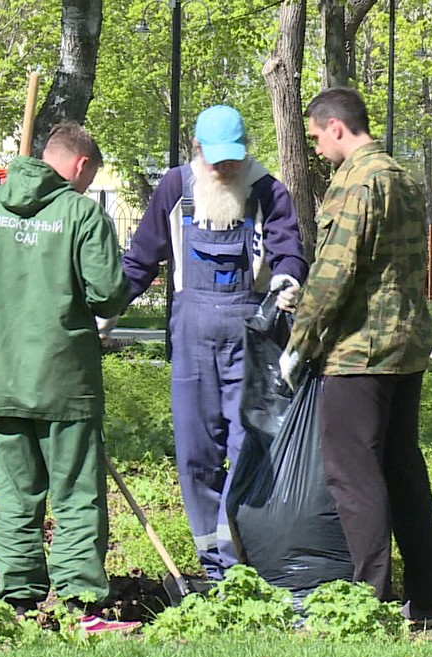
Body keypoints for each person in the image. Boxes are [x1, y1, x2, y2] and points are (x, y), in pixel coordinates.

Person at [0, 123, 138, 634]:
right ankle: (76, 605)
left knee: (17, 496)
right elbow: (110, 293)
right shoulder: (82, 214)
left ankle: (20, 601)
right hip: (65, 381)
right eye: (89, 177)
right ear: (81, 166)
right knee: (75, 495)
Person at [104, 105, 308, 580]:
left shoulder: (267, 191)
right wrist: (105, 312)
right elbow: (140, 260)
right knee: (195, 453)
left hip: (251, 339)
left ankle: (239, 559)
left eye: (233, 158)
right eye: (215, 159)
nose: (225, 168)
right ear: (197, 151)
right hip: (191, 338)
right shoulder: (176, 187)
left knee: (247, 448)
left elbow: (287, 248)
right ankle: (211, 562)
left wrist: (288, 279)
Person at [281, 88, 432, 628]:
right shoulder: (402, 176)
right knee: (401, 469)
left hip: (358, 353)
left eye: (315, 136)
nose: (317, 149)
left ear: (336, 128)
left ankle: (365, 606)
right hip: (405, 345)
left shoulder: (355, 179)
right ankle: (426, 603)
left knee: (353, 475)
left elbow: (335, 271)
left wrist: (299, 342)